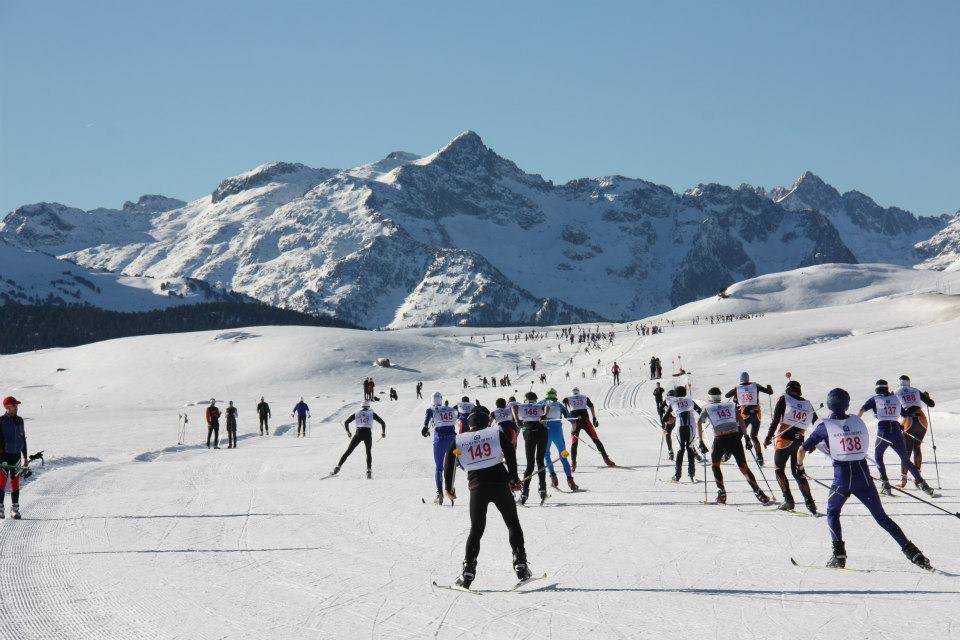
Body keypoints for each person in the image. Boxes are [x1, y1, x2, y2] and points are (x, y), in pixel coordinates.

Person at [797, 388, 932, 570]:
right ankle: (915, 554)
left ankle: (839, 555)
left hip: (842, 478)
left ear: (829, 404)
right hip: (863, 476)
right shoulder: (857, 421)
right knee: (882, 518)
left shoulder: (824, 426)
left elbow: (802, 450)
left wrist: (799, 468)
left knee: (832, 512)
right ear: (847, 403)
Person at [443, 408, 531, 589]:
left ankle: (468, 571)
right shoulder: (495, 432)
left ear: (470, 422)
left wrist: (448, 488)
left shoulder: (459, 439)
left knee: (476, 529)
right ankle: (520, 564)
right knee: (512, 523)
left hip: (477, 488)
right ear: (486, 421)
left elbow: (448, 460)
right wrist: (513, 478)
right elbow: (510, 452)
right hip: (500, 485)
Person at [858, 379, 934, 496]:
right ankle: (923, 484)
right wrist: (900, 425)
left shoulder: (875, 398)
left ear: (877, 389)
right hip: (896, 430)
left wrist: (857, 422)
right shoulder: (895, 398)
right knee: (906, 459)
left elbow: (862, 409)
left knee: (878, 457)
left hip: (883, 431)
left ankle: (885, 484)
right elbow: (905, 415)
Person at [697, 388, 770, 505]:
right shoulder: (730, 405)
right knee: (743, 467)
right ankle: (759, 493)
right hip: (735, 438)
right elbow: (740, 418)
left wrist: (701, 441)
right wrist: (746, 436)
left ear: (709, 397)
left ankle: (722, 494)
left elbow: (699, 422)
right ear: (720, 396)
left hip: (720, 439)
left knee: (715, 465)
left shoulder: (707, 407)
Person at [763, 380, 817, 513]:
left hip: (784, 441)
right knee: (798, 472)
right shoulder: (808, 404)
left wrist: (768, 438)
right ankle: (810, 503)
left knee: (779, 469)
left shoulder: (784, 399)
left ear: (788, 389)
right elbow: (817, 424)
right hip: (799, 443)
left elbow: (775, 420)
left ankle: (788, 501)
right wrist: (813, 442)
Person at [894, 375, 936, 488]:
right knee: (917, 447)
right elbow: (931, 404)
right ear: (909, 382)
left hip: (909, 420)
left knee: (906, 451)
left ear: (900, 382)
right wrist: (927, 396)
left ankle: (903, 480)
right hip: (922, 420)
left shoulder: (896, 391)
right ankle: (918, 479)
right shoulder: (916, 390)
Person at [725, 372, 773, 466]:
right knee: (754, 436)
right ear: (748, 378)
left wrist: (736, 397)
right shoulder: (755, 386)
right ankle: (760, 458)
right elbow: (770, 392)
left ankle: (728, 454)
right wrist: (769, 387)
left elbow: (727, 395)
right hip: (756, 414)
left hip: (744, 415)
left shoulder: (737, 388)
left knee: (739, 436)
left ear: (741, 379)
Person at [563, 387, 614, 471]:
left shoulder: (567, 398)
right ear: (579, 392)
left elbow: (565, 410)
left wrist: (570, 419)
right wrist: (594, 417)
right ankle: (606, 459)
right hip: (585, 420)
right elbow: (591, 406)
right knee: (595, 439)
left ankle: (573, 463)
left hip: (575, 422)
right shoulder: (584, 397)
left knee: (574, 442)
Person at [333, 399, 386, 478]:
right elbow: (382, 422)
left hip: (359, 433)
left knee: (349, 451)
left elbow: (346, 422)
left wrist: (348, 432)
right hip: (367, 433)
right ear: (368, 406)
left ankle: (338, 467)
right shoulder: (372, 414)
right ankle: (369, 470)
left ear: (361, 406)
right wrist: (383, 432)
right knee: (368, 452)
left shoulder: (357, 413)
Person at [423, 392, 459, 505]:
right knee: (456, 464)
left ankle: (439, 494)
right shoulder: (451, 409)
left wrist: (425, 429)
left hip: (440, 440)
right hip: (453, 440)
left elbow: (425, 424)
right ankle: (451, 488)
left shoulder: (430, 410)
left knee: (439, 467)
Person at [512, 391, 548, 505]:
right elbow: (547, 406)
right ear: (535, 399)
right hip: (542, 433)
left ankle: (525, 493)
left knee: (530, 464)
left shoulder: (522, 405)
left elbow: (513, 407)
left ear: (526, 399)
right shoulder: (539, 405)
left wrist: (517, 420)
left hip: (529, 434)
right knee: (540, 461)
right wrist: (545, 416)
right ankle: (543, 489)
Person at [540, 389, 578, 491]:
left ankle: (553, 477)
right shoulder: (559, 405)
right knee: (563, 455)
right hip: (557, 431)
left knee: (546, 455)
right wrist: (573, 431)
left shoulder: (541, 403)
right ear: (555, 396)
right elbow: (572, 421)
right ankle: (570, 481)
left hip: (545, 432)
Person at [0, 396, 28, 519]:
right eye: (14, 405)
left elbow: (23, 439)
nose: (16, 407)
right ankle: (0, 508)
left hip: (16, 456)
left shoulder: (20, 420)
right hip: (4, 457)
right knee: (1, 482)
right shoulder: (1, 421)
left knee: (15, 483)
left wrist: (25, 457)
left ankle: (14, 509)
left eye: (16, 405)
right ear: (7, 407)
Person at [665, 386, 700, 482]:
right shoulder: (690, 400)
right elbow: (699, 411)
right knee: (690, 449)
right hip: (691, 427)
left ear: (675, 394)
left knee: (681, 450)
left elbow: (665, 418)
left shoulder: (673, 403)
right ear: (685, 393)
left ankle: (677, 475)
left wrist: (672, 416)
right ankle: (691, 474)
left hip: (680, 428)